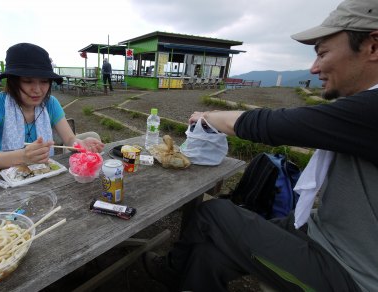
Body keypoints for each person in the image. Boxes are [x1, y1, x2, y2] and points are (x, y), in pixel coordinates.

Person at [143, 0, 378, 291]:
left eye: (323, 53)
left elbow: (274, 125)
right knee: (210, 252)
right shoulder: (361, 112)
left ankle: (170, 271)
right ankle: (178, 274)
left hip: (351, 274)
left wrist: (210, 117)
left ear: (372, 46)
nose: (314, 68)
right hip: (321, 232)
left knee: (213, 213)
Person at [0, 43, 104, 169]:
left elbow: (70, 138)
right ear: (12, 81)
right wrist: (24, 157)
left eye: (44, 81)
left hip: (41, 173)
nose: (37, 90)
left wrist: (80, 144)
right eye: (27, 81)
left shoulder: (50, 103)